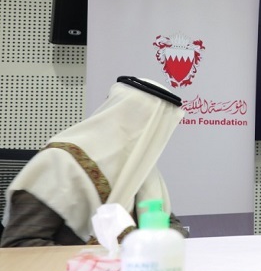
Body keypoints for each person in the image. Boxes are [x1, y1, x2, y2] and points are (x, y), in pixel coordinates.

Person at [1, 76, 187, 247]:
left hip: (136, 270)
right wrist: (97, 263)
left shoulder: (141, 168)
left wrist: (162, 246)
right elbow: (20, 245)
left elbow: (169, 222)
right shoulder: (59, 163)